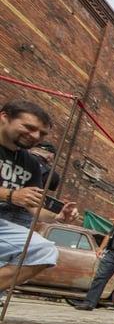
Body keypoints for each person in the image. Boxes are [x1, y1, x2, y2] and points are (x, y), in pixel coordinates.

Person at [1, 100, 79, 299]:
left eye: (42, 134)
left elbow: (34, 210)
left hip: (7, 225)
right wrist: (10, 195)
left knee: (44, 251)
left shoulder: (31, 164)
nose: (35, 136)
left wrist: (59, 217)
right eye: (29, 127)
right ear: (4, 117)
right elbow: (16, 197)